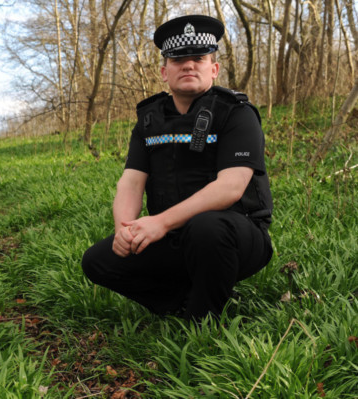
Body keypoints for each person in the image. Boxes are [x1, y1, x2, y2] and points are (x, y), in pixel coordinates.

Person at [82, 15, 273, 321]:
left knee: (206, 228)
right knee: (98, 261)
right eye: (178, 59)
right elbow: (131, 182)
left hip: (238, 235)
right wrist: (124, 230)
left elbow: (231, 187)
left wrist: (161, 222)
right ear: (164, 71)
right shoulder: (148, 120)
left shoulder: (237, 114)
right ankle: (180, 301)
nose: (188, 65)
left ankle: (203, 323)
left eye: (198, 58)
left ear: (214, 69)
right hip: (174, 235)